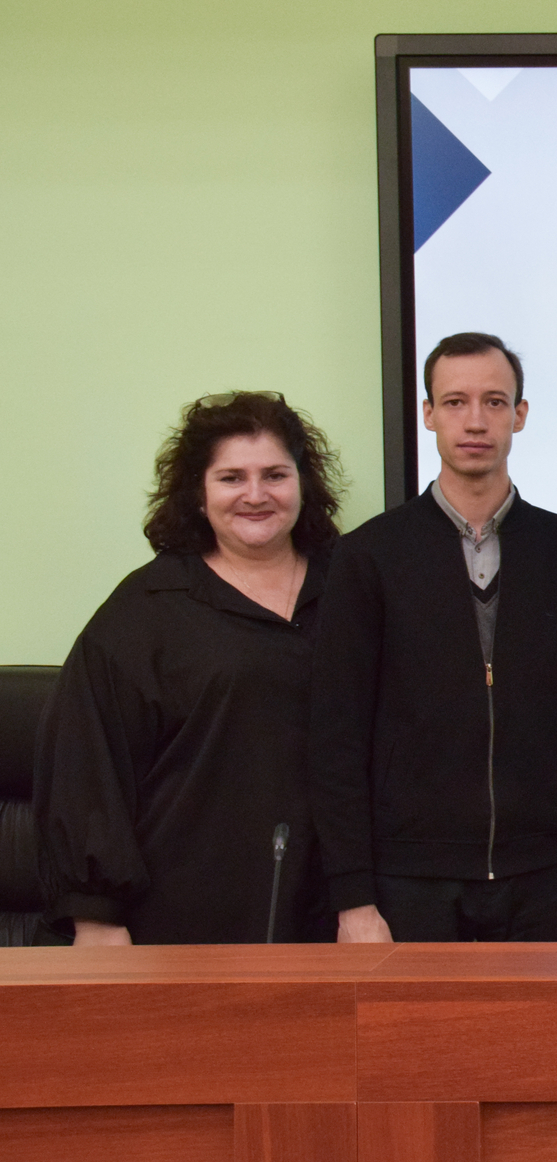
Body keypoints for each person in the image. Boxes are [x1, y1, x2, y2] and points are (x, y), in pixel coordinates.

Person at [308, 332, 557, 943]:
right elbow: (336, 738)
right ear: (428, 414)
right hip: (408, 880)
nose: (475, 421)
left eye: (494, 402)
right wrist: (352, 899)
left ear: (519, 415)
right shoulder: (369, 555)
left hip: (543, 876)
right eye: (455, 402)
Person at [35, 392, 342, 944]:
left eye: (275, 475)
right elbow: (88, 767)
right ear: (198, 495)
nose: (255, 495)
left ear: (304, 485)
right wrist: (96, 917)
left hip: (335, 917)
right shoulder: (146, 609)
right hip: (181, 921)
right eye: (231, 478)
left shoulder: (353, 589)